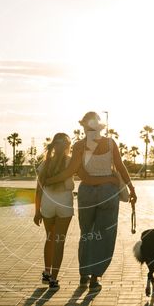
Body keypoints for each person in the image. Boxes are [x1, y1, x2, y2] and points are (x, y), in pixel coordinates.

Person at [45, 112, 137, 290]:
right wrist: (125, 186)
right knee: (105, 235)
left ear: (84, 127)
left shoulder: (79, 146)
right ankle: (95, 277)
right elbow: (120, 166)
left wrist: (47, 180)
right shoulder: (110, 143)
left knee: (87, 233)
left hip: (87, 193)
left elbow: (84, 176)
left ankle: (84, 274)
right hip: (108, 194)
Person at [34, 133, 117, 288]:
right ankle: (53, 278)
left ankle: (46, 272)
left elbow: (38, 189)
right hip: (64, 203)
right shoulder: (70, 161)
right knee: (59, 241)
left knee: (50, 238)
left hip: (47, 203)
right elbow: (86, 177)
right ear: (67, 147)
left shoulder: (45, 164)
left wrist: (37, 211)